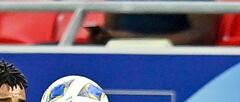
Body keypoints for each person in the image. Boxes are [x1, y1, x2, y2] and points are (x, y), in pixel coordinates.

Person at [87, 11, 219, 45]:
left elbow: (204, 35)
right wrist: (103, 36)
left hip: (172, 60)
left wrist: (137, 41)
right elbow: (110, 29)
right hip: (122, 57)